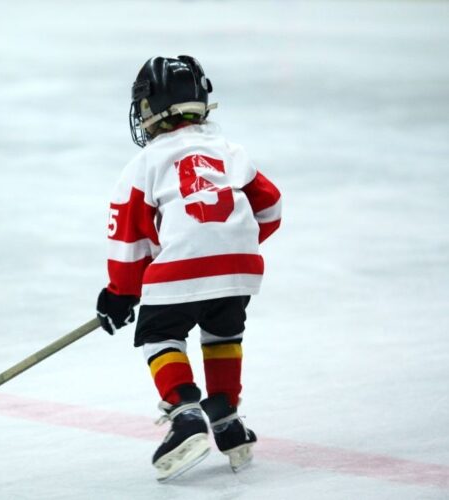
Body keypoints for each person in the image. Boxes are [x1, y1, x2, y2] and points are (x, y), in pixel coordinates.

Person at [96, 55, 282, 482]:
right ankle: (226, 417)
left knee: (160, 333)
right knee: (223, 332)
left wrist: (121, 293)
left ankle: (185, 415)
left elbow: (128, 237)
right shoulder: (230, 151)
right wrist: (234, 242)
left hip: (181, 270)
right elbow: (270, 207)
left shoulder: (145, 164)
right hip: (238, 269)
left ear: (149, 109)